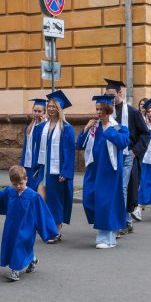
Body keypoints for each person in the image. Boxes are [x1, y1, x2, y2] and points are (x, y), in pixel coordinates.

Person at [0, 166, 59, 282]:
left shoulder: (33, 196)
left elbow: (42, 214)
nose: (18, 186)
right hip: (11, 226)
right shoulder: (10, 192)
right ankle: (33, 260)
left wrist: (50, 231)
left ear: (26, 179)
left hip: (26, 228)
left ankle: (14, 271)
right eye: (15, 184)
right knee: (14, 246)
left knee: (19, 246)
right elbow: (0, 198)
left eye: (21, 183)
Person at [78, 95, 130, 248]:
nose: (98, 112)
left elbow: (124, 142)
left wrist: (109, 130)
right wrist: (85, 128)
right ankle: (110, 233)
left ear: (108, 110)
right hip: (94, 169)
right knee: (88, 198)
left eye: (101, 109)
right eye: (97, 109)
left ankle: (105, 238)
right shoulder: (94, 127)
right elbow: (80, 144)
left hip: (109, 171)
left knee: (105, 203)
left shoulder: (117, 127)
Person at [105, 79, 150, 231]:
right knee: (117, 188)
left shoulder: (132, 112)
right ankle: (127, 220)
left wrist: (136, 151)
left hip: (128, 155)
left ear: (120, 93)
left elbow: (145, 134)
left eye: (112, 95)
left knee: (123, 188)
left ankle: (122, 222)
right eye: (107, 95)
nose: (109, 98)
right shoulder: (107, 112)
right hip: (112, 155)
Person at [36, 90, 75, 239]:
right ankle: (48, 226)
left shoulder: (66, 128)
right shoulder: (42, 127)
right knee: (41, 199)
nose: (51, 109)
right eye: (49, 106)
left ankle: (56, 230)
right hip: (44, 168)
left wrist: (66, 172)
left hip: (57, 170)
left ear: (59, 109)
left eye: (54, 106)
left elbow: (70, 152)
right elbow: (37, 148)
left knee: (56, 200)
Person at [21, 98, 47, 190]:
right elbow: (25, 148)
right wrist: (22, 165)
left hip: (39, 164)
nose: (36, 113)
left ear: (44, 112)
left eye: (39, 111)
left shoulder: (46, 127)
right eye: (35, 111)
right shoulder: (29, 127)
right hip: (29, 164)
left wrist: (43, 124)